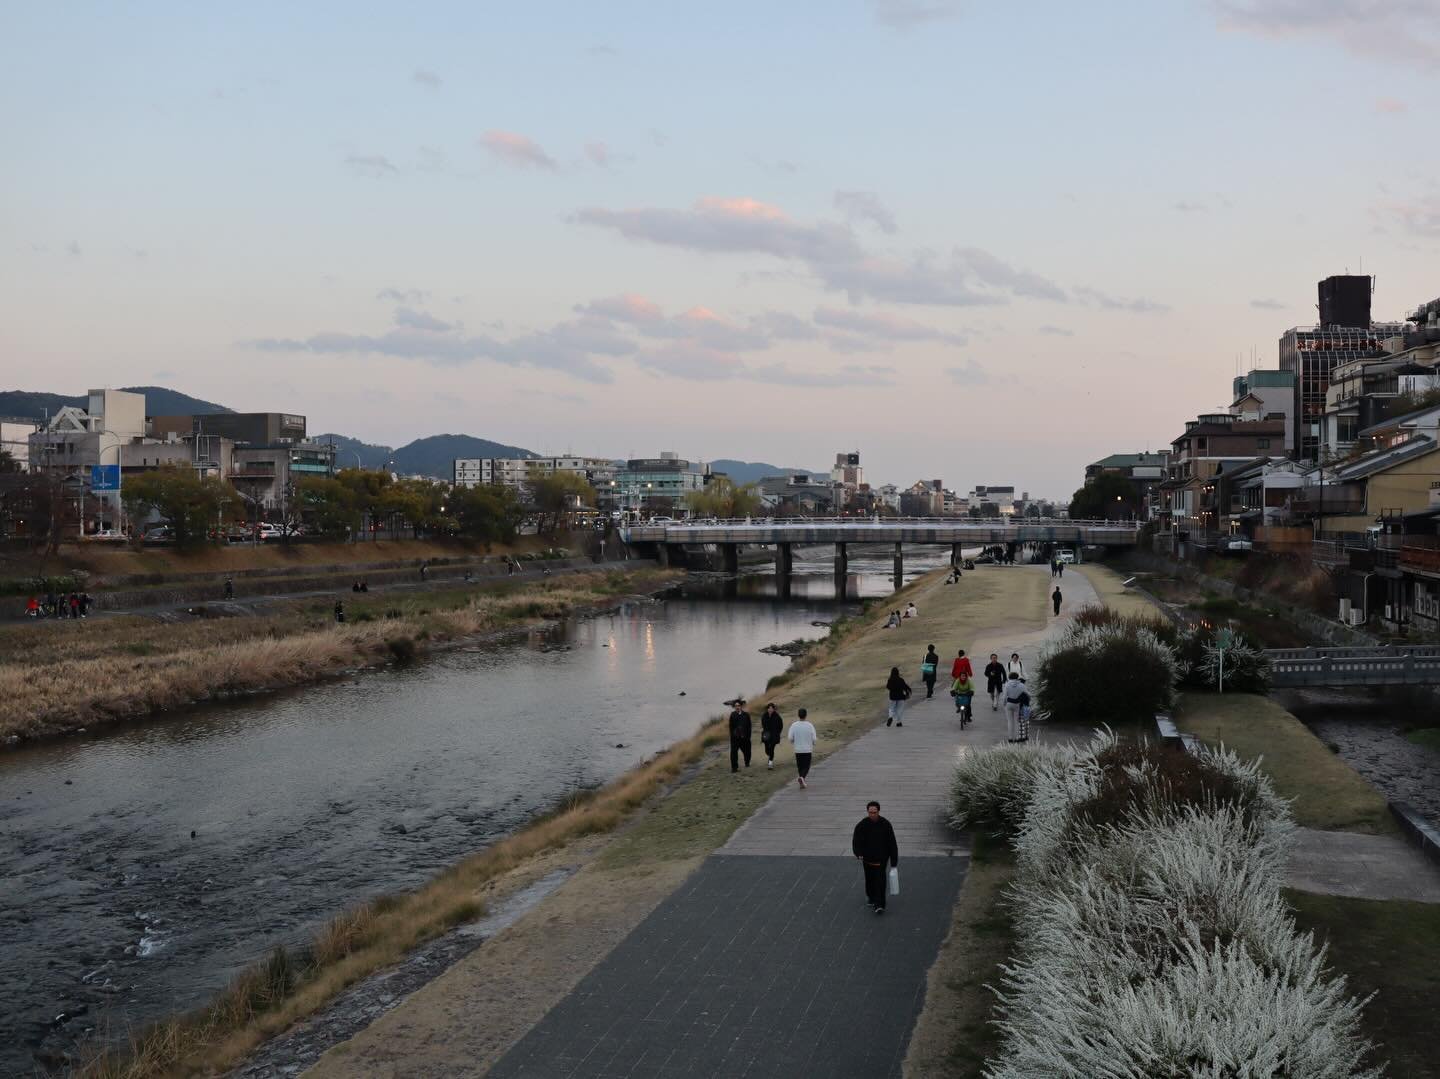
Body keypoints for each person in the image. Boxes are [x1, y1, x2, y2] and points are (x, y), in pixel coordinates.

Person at [852, 801, 899, 914]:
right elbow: (856, 841)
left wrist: (893, 861)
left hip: (881, 861)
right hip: (867, 860)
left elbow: (892, 843)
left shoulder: (885, 824)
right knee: (869, 880)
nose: (872, 814)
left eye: (874, 812)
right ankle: (871, 897)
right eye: (870, 812)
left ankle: (879, 904)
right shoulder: (862, 825)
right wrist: (858, 853)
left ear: (878, 811)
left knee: (880, 882)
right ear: (867, 812)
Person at [788, 707, 816, 788]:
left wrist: (793, 741)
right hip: (807, 749)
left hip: (798, 749)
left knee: (800, 766)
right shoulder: (810, 725)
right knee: (806, 766)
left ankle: (801, 781)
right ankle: (802, 778)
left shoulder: (794, 725)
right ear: (806, 715)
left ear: (798, 715)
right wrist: (813, 743)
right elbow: (814, 738)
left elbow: (790, 737)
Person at [728, 698, 752, 773]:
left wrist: (748, 737)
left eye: (738, 705)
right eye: (735, 706)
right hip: (735, 738)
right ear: (734, 707)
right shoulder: (732, 715)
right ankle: (734, 768)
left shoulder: (746, 715)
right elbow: (730, 727)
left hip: (745, 738)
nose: (737, 707)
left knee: (747, 752)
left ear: (741, 706)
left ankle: (747, 762)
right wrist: (732, 736)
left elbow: (749, 726)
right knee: (733, 752)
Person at [1003, 672, 1028, 742]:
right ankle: (1017, 737)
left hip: (1009, 703)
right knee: (1016, 721)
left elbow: (1005, 696)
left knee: (1010, 721)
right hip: (1017, 704)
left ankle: (1010, 738)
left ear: (1009, 677)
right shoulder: (1021, 685)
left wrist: (1004, 703)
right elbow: (1027, 694)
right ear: (1017, 677)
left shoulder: (1007, 685)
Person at [759, 703, 783, 769]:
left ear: (773, 709)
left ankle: (770, 763)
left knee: (772, 748)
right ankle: (770, 755)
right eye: (769, 708)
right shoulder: (764, 716)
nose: (770, 709)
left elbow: (780, 726)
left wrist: (777, 733)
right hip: (766, 735)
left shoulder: (777, 716)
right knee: (767, 750)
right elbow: (763, 724)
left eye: (771, 708)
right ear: (767, 709)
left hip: (774, 735)